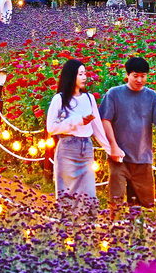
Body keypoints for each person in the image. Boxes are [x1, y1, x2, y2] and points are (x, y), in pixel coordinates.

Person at [101, 56, 156, 213]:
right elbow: (105, 120)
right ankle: (115, 231)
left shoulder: (151, 96)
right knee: (116, 200)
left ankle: (136, 233)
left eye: (143, 76)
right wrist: (113, 146)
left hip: (142, 156)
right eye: (135, 75)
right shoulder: (114, 94)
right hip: (119, 156)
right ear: (127, 74)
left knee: (142, 202)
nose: (139, 79)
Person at [46, 58, 110, 199]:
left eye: (85, 74)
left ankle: (87, 221)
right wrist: (76, 121)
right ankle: (65, 221)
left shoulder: (89, 98)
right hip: (67, 148)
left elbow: (97, 128)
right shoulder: (60, 99)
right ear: (71, 75)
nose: (84, 77)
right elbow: (51, 128)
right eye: (80, 74)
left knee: (88, 197)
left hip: (86, 149)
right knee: (67, 196)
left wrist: (110, 150)